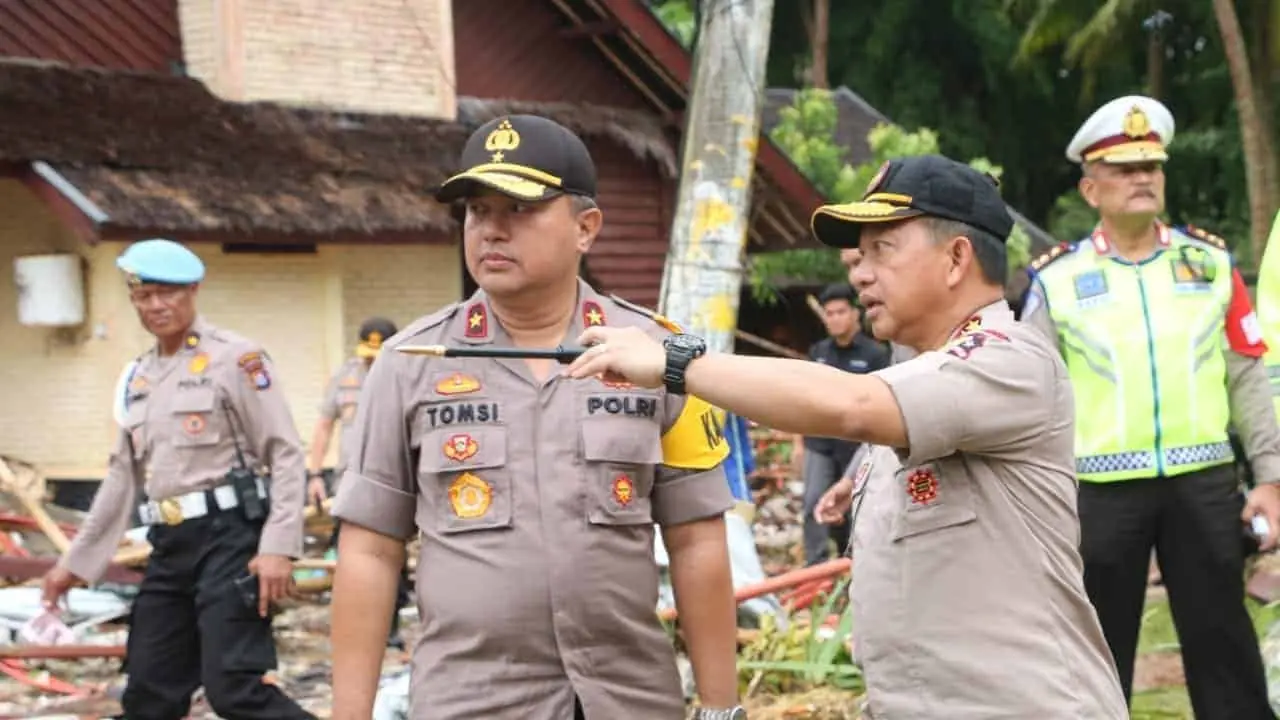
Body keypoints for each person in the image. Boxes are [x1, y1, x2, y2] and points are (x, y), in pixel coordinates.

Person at [564, 154, 1129, 718]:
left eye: (883, 250)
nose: (860, 272)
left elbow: (853, 403)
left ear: (956, 258)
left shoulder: (1007, 357)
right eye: (861, 255)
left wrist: (675, 361)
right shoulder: (928, 378)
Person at [328, 114, 744, 720]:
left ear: (586, 228)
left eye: (518, 209)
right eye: (476, 210)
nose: (491, 230)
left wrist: (719, 708)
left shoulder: (660, 357)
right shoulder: (409, 363)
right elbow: (369, 550)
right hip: (472, 701)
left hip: (627, 698)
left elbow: (697, 540)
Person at [1022, 95, 1280, 719]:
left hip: (1203, 483)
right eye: (1124, 169)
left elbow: (1248, 374)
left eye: (1152, 167)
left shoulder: (1211, 264)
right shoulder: (1054, 281)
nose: (1143, 179)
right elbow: (1029, 391)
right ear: (1091, 188)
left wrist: (1271, 476)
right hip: (1100, 490)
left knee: (1222, 637)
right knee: (1096, 644)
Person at [39, 239, 314, 720]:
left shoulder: (237, 360)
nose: (156, 306)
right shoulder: (136, 378)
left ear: (193, 291)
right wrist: (74, 563)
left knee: (232, 688)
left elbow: (286, 453)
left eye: (168, 293)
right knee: (149, 692)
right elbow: (122, 480)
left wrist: (279, 546)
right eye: (144, 296)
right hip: (169, 543)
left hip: (232, 539)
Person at [305, 316, 412, 649]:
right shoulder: (346, 374)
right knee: (350, 557)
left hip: (394, 482)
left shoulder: (409, 372)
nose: (370, 360)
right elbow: (324, 424)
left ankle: (389, 629)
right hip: (349, 481)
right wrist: (314, 473)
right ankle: (355, 632)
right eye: (367, 352)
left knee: (389, 557)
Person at [792, 283, 888, 565]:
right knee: (813, 504)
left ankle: (854, 567)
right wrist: (798, 442)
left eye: (840, 312)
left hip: (858, 446)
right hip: (820, 442)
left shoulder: (875, 355)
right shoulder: (819, 353)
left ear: (855, 314)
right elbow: (803, 399)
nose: (834, 319)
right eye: (829, 313)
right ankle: (815, 569)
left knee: (857, 508)